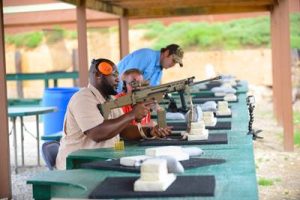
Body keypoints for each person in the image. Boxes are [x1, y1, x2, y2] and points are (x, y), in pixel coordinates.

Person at [56, 58, 171, 170]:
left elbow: (123, 129)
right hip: (76, 167)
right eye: (114, 75)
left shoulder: (110, 100)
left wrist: (150, 131)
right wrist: (132, 114)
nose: (118, 80)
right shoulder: (83, 98)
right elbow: (97, 133)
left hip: (98, 163)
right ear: (98, 75)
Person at [117, 44, 184, 92]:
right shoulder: (147, 56)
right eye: (173, 61)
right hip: (116, 94)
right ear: (166, 53)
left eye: (176, 63)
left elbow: (151, 91)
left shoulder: (159, 71)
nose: (173, 65)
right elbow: (124, 78)